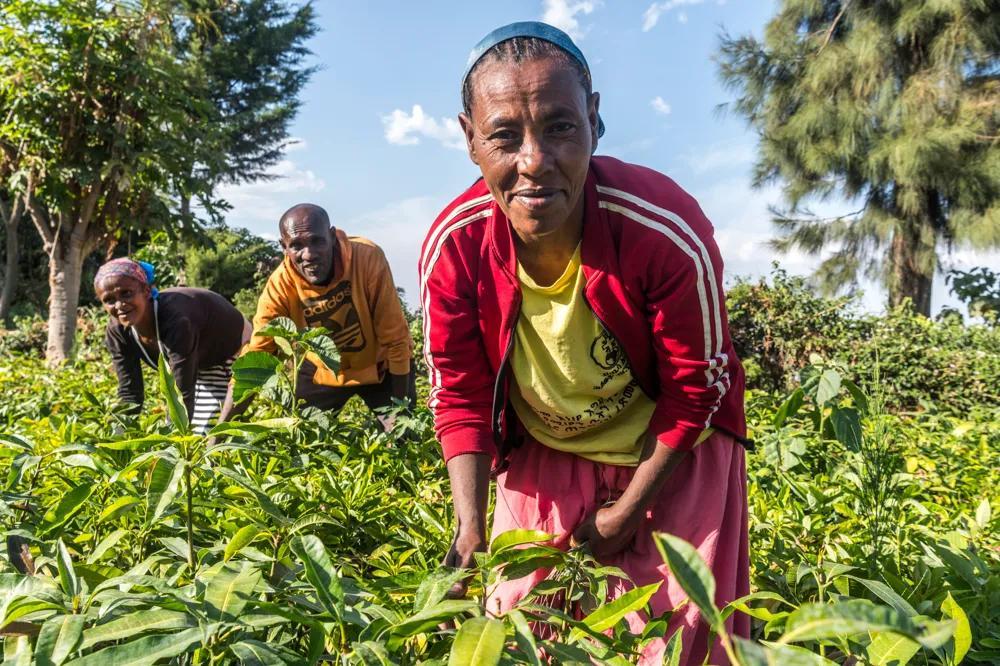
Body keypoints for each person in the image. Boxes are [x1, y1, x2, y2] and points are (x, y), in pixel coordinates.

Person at [419, 21, 751, 664]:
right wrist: (471, 527)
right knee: (522, 634)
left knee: (676, 639)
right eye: (504, 137)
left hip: (672, 447)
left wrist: (627, 513)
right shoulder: (454, 248)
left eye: (560, 127)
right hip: (547, 442)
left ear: (594, 120)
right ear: (469, 139)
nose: (534, 161)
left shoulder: (662, 229)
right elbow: (457, 393)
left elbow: (695, 388)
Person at [221, 203, 415, 425]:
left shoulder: (367, 258)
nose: (309, 255)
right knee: (304, 441)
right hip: (322, 371)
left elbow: (395, 338)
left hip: (381, 365)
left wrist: (401, 414)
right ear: (284, 247)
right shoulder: (280, 286)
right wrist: (219, 436)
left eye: (317, 241)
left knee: (403, 440)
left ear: (332, 237)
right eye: (296, 246)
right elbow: (256, 357)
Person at [95, 258, 252, 434]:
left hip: (227, 346)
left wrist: (168, 446)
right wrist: (116, 440)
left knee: (212, 433)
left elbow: (182, 394)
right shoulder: (118, 331)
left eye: (126, 293)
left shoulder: (176, 319)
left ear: (146, 291)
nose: (119, 305)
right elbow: (130, 392)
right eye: (109, 300)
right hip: (195, 358)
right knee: (194, 430)